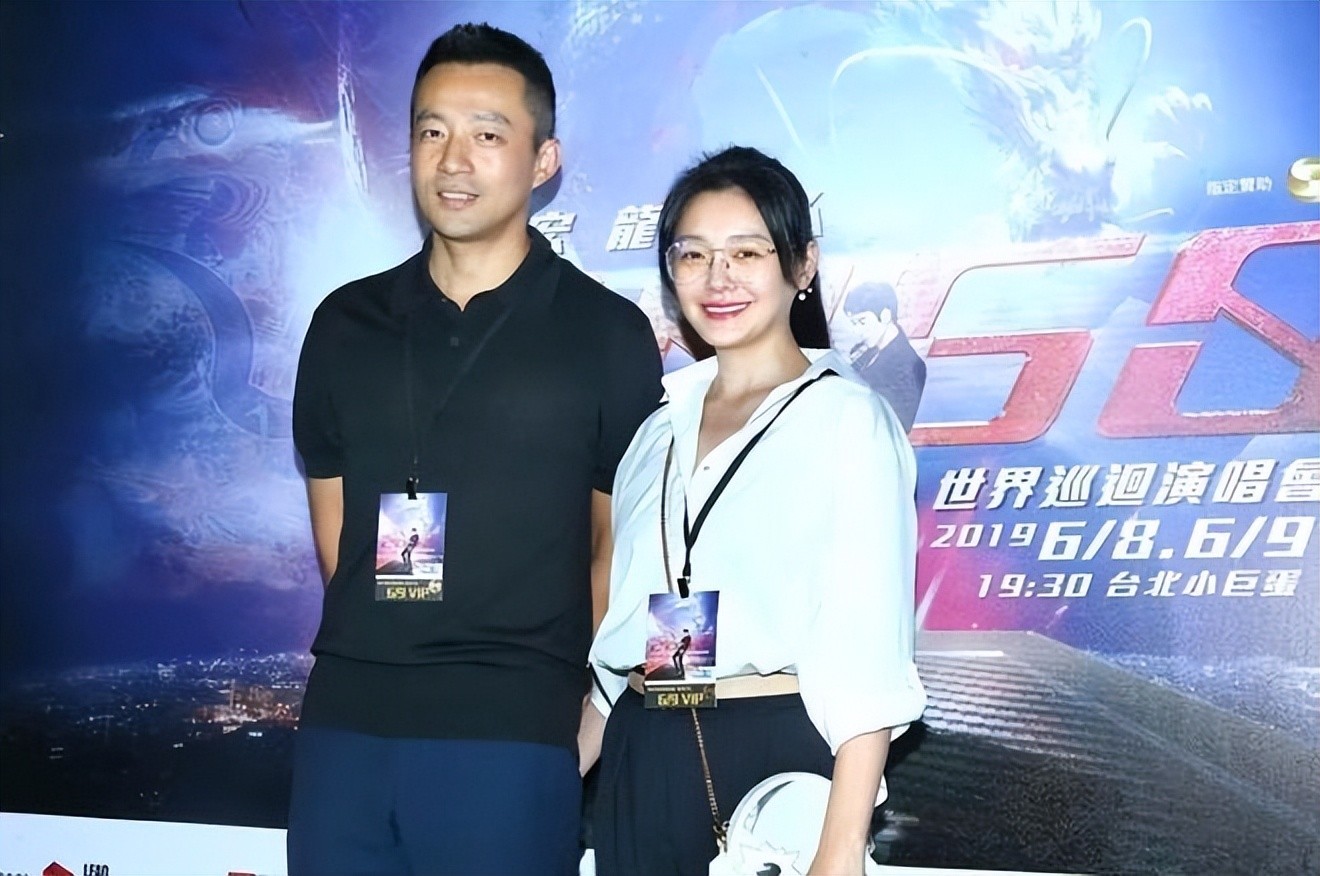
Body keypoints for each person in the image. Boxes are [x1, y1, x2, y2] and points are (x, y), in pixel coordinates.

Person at [289, 23, 662, 876]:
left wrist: (565, 709)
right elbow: (335, 534)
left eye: (487, 135)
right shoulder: (343, 323)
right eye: (432, 131)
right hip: (345, 725)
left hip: (511, 733)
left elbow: (615, 547)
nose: (453, 160)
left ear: (543, 160)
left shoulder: (605, 333)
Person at [579, 147, 926, 875]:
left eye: (746, 252)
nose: (718, 278)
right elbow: (633, 646)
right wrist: (544, 783)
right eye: (693, 254)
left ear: (802, 265)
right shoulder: (656, 432)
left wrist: (839, 852)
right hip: (642, 752)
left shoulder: (847, 421)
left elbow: (867, 654)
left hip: (770, 763)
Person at [838, 281, 926, 432]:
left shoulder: (907, 366)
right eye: (853, 324)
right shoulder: (865, 352)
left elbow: (896, 427)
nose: (857, 331)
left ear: (885, 316)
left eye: (862, 321)